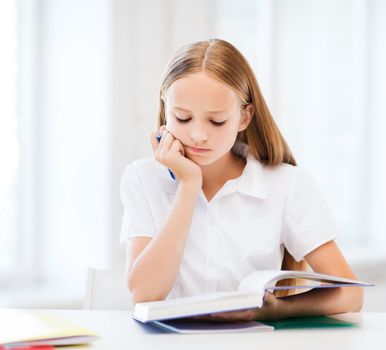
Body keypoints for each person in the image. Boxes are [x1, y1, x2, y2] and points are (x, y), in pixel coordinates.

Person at [120, 38, 363, 321]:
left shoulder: (286, 184)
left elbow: (351, 295)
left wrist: (279, 309)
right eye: (183, 118)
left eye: (217, 121)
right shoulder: (143, 178)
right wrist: (188, 186)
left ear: (244, 117)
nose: (198, 134)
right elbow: (143, 295)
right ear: (166, 111)